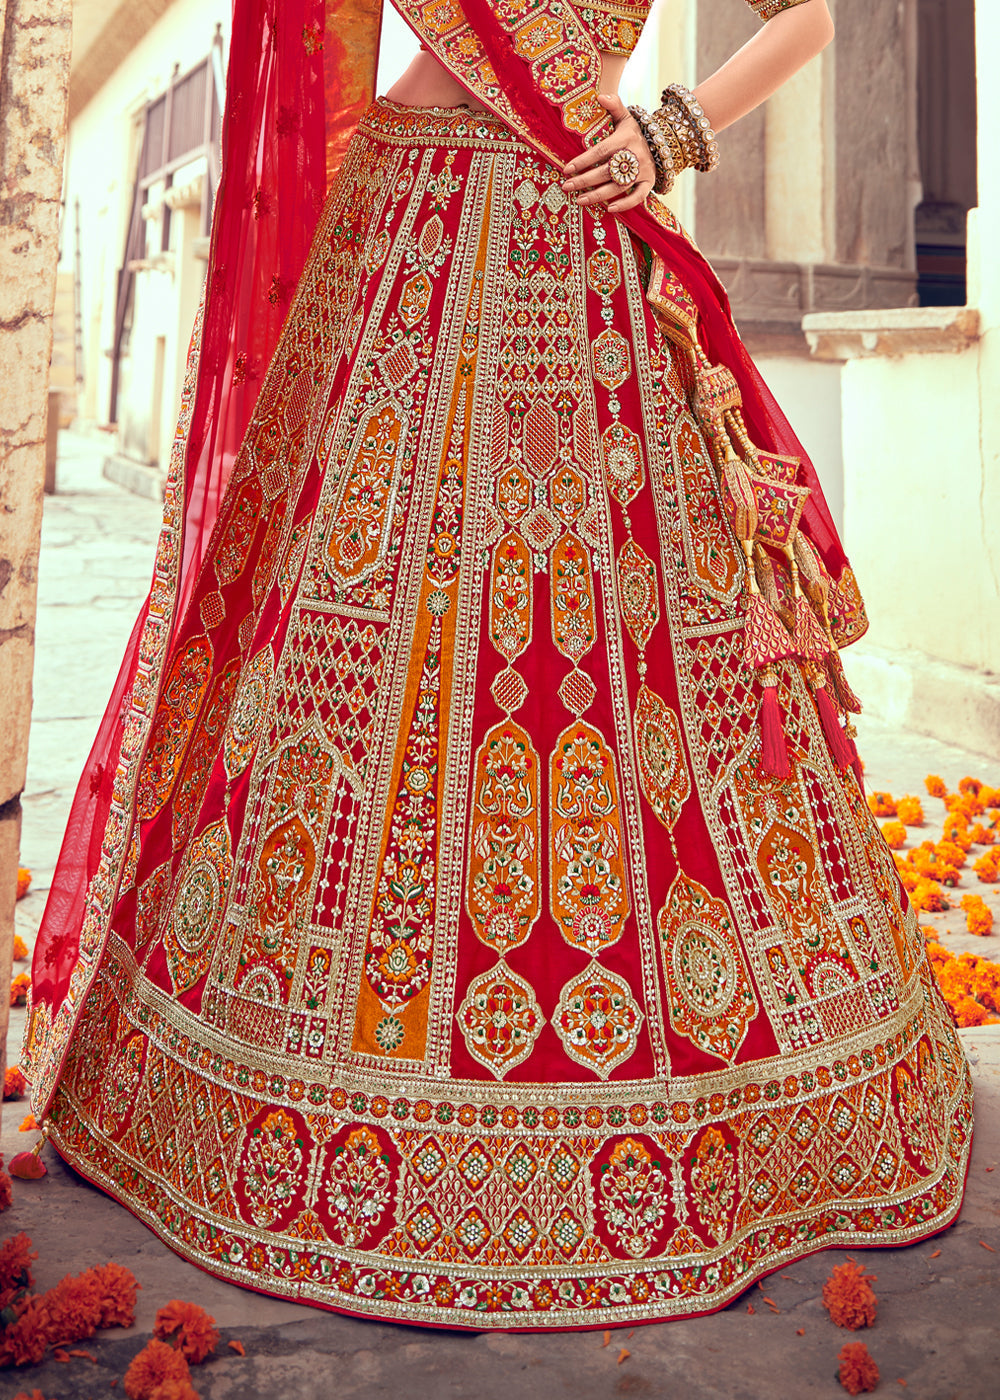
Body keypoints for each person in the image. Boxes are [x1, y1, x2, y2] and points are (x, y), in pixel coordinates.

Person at [24, 0, 971, 1329]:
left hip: (581, 239)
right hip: (403, 210)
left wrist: (673, 129)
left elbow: (809, 17)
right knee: (354, 637)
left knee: (608, 656)